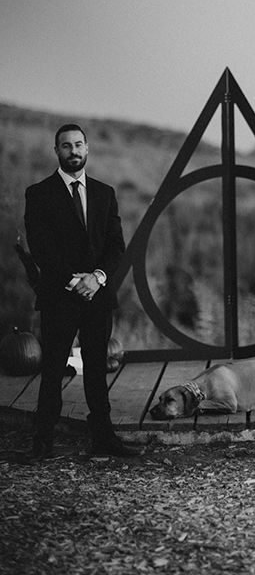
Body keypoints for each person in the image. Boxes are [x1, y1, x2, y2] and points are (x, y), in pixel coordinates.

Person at [25, 123, 140, 458]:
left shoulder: (105, 193)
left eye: (78, 145)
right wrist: (76, 282)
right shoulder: (39, 193)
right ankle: (43, 441)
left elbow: (116, 245)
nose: (73, 151)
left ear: (87, 149)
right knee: (52, 370)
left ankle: (104, 438)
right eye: (65, 146)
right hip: (60, 295)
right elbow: (41, 247)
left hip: (98, 296)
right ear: (56, 151)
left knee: (96, 370)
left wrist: (98, 277)